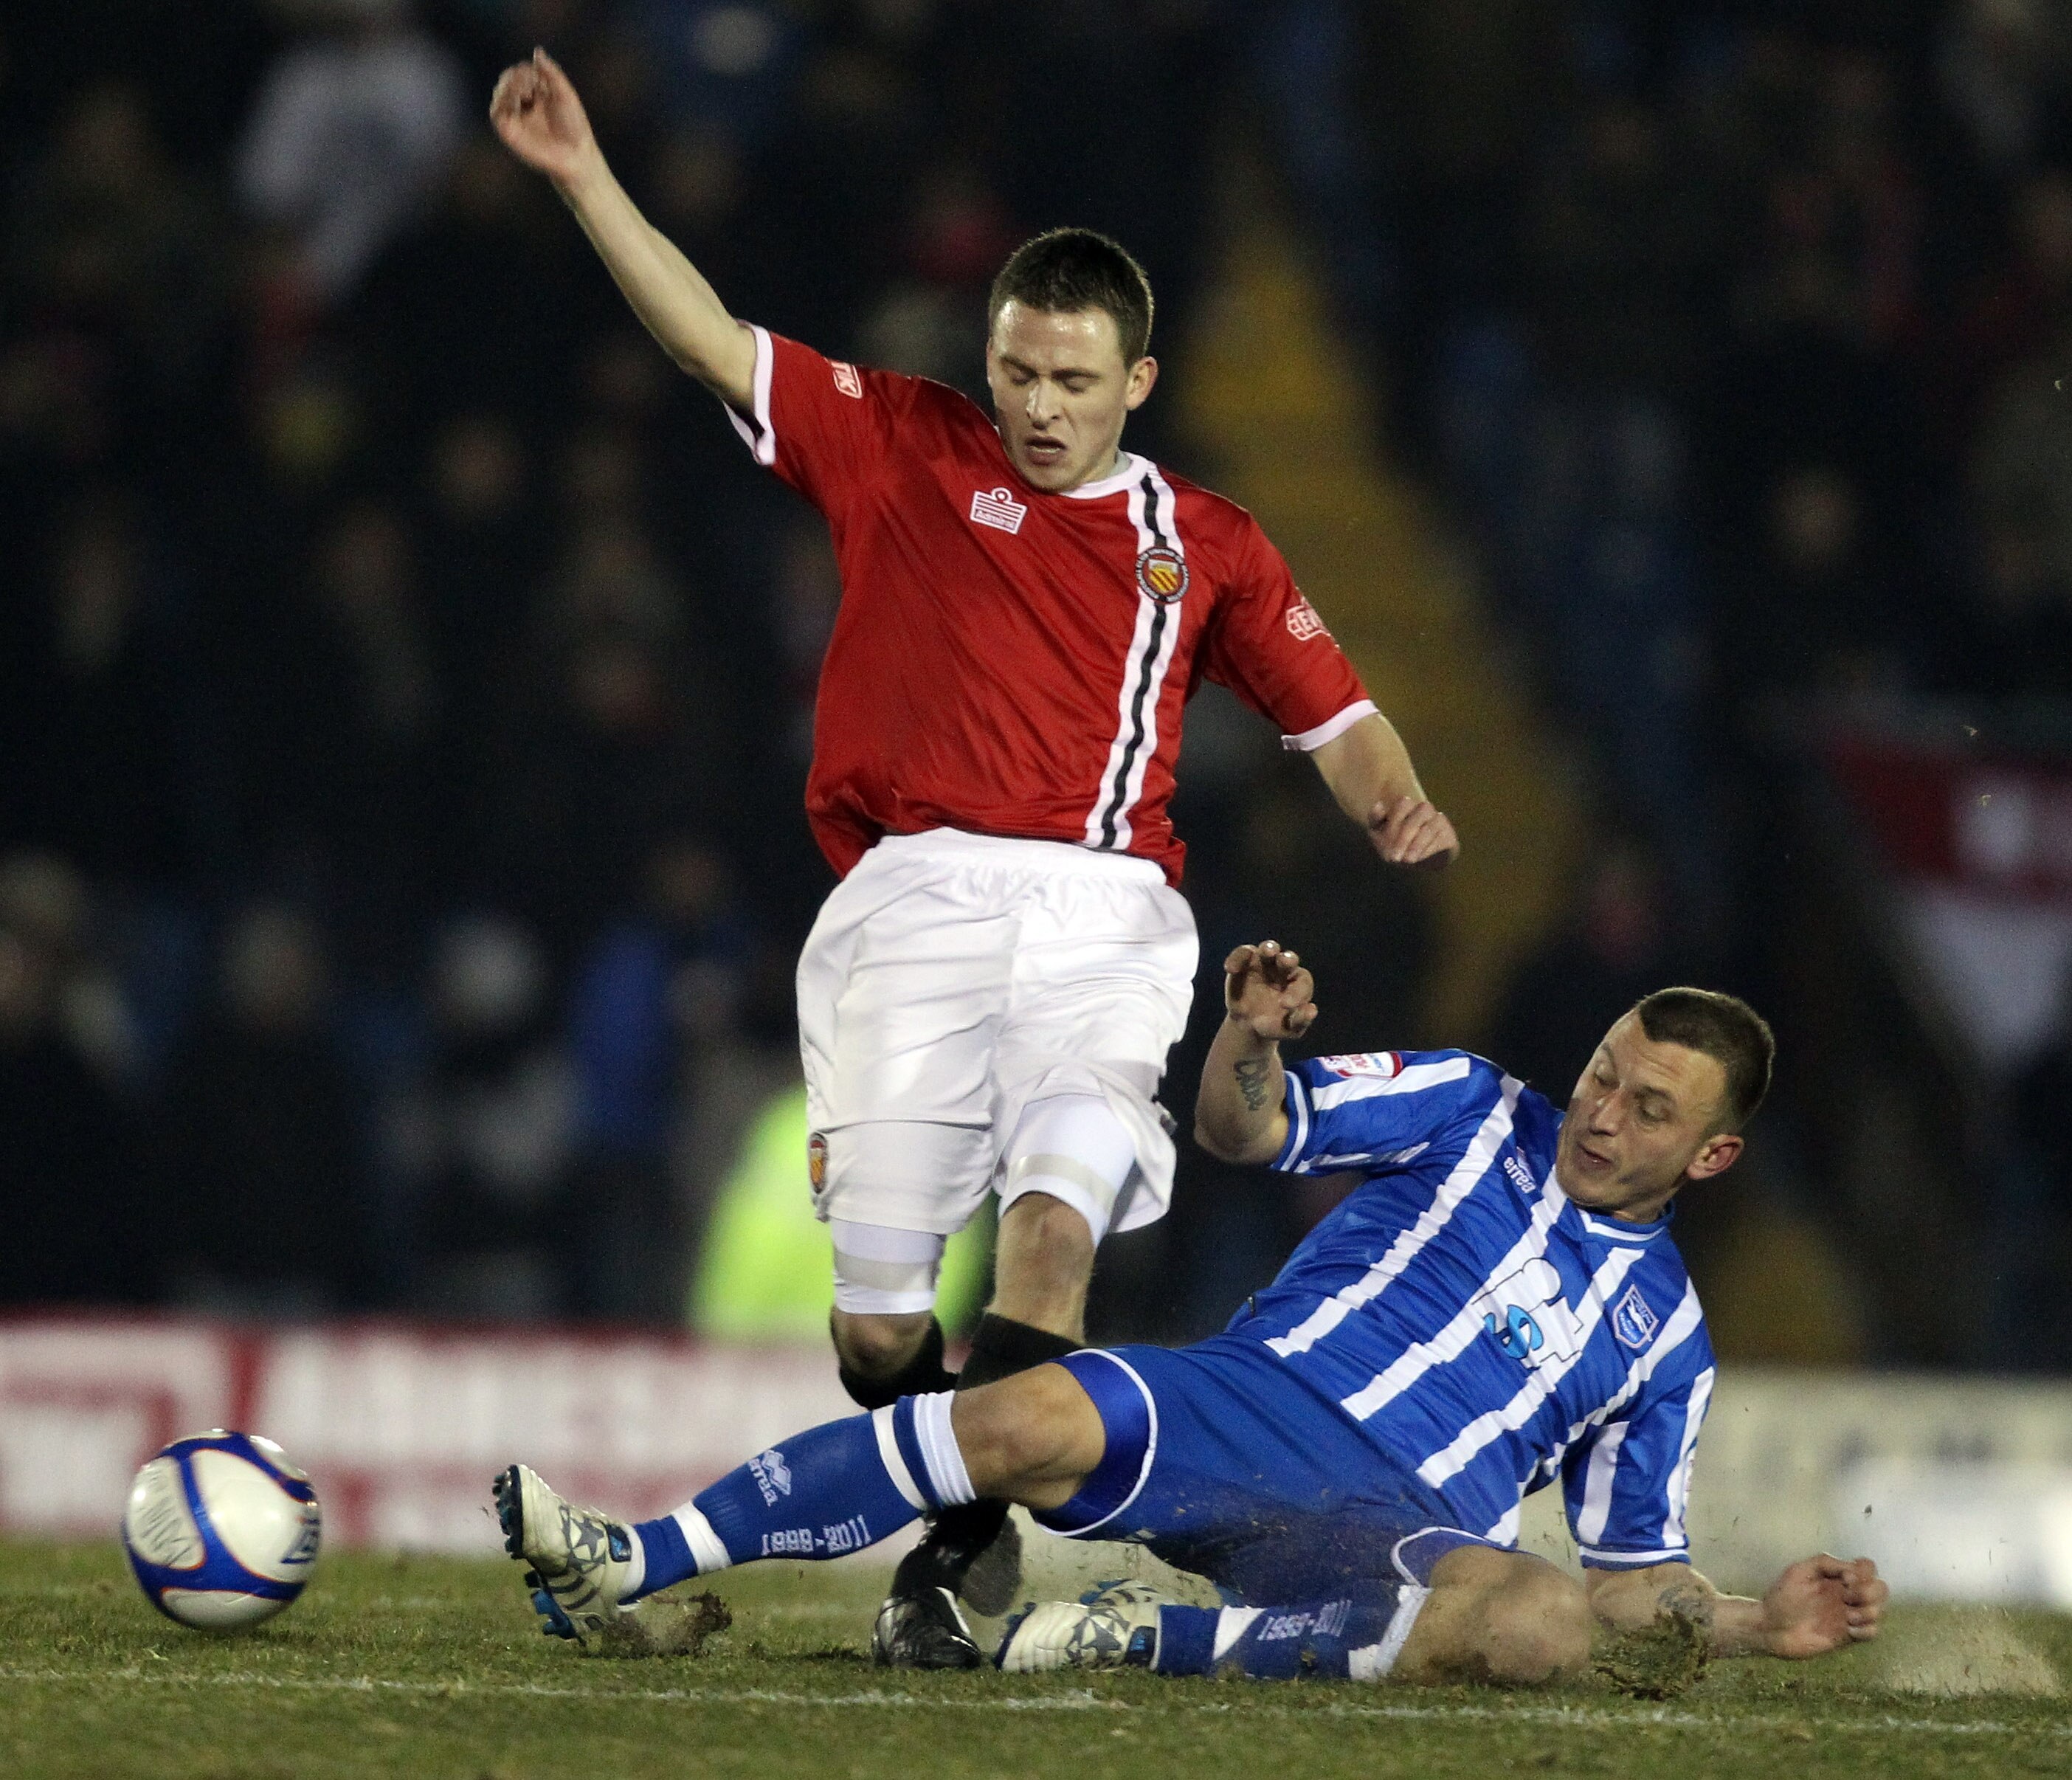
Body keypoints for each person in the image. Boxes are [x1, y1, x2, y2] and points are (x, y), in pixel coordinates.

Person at [488, 49, 1460, 1664]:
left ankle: (945, 1571)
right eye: (1018, 371)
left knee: (1053, 1235)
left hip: (1103, 920)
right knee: (878, 1332)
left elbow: (1339, 714)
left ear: (1136, 383)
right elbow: (709, 339)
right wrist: (590, 178)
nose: (1039, 408)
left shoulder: (1203, 545)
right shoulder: (898, 440)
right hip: (907, 906)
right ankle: (963, 1514)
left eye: (1074, 383)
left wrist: (1395, 801)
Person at [493, 939, 1887, 1686]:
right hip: (1248, 1400)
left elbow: (1633, 1579)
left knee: (1544, 1626)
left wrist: (1762, 1624)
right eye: (1600, 1073)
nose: (1599, 1112)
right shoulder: (1472, 1104)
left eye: (1649, 1109)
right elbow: (1243, 1129)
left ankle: (1142, 1638)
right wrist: (1248, 1042)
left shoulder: (1672, 1346)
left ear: (1713, 1158)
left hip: (1399, 1530)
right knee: (1015, 1412)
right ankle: (630, 1559)